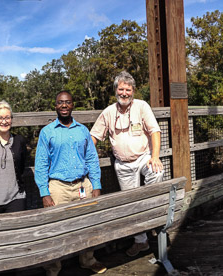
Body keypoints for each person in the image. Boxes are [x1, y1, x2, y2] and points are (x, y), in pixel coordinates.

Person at [89, 71, 163, 257]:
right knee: (131, 204)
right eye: (121, 89)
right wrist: (86, 158)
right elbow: (94, 137)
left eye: (128, 90)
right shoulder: (108, 112)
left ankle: (151, 210)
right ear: (115, 90)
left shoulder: (142, 106)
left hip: (143, 157)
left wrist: (155, 156)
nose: (124, 93)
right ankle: (141, 242)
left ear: (133, 91)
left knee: (157, 172)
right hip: (123, 164)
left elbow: (155, 131)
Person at [34, 91, 107, 274]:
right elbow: (41, 164)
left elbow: (92, 159)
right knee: (55, 228)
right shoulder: (47, 132)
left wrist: (96, 185)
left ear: (73, 105)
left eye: (67, 102)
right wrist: (44, 192)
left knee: (88, 224)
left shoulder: (83, 130)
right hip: (58, 187)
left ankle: (87, 260)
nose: (64, 105)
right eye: (60, 102)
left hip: (83, 184)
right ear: (55, 106)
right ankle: (53, 267)